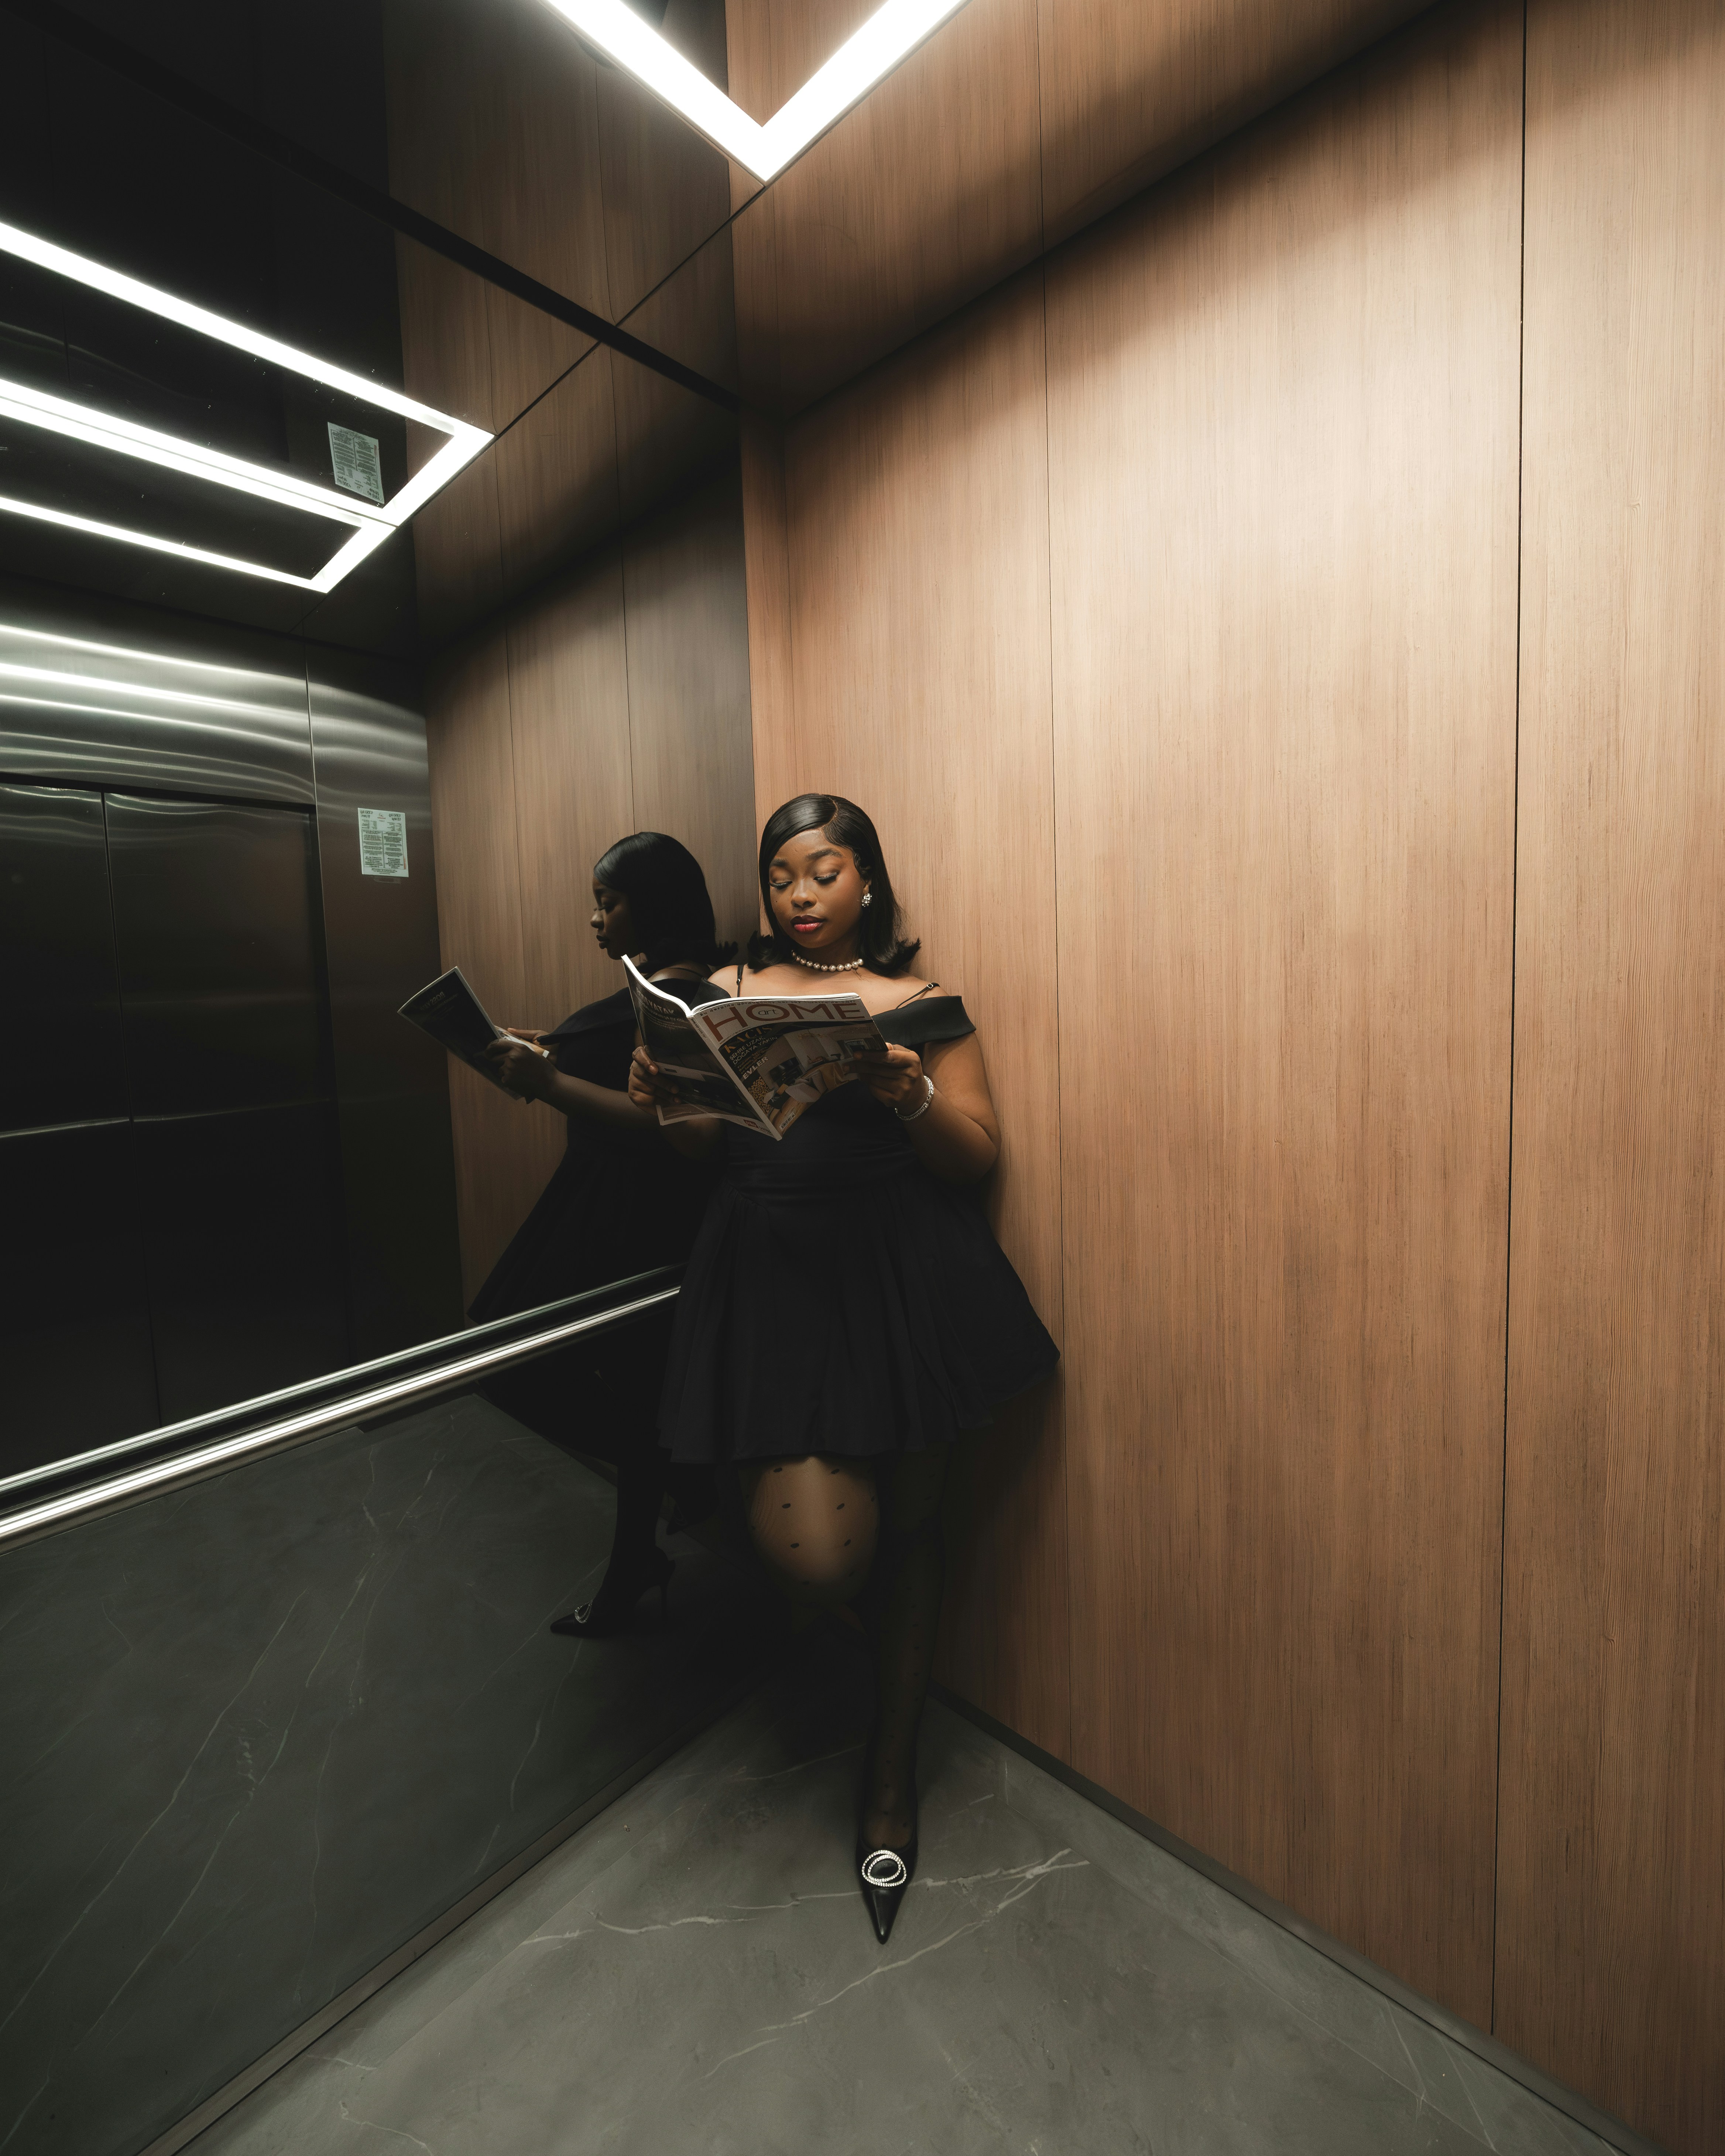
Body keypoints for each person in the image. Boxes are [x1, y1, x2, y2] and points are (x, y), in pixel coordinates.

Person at [628, 793, 1058, 1943]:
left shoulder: (919, 1005)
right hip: (766, 1275)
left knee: (915, 1534)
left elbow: (974, 1157)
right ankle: (838, 1666)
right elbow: (696, 1148)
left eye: (825, 872)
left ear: (869, 880)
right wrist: (666, 1101)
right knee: (818, 1557)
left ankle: (890, 1781)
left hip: (901, 1274)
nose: (801, 896)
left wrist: (908, 1089)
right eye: (782, 877)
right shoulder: (717, 998)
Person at [473, 831, 731, 1636]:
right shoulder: (643, 990)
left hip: (633, 1224)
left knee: (506, 1357)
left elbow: (669, 1125)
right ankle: (639, 1551)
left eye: (609, 901)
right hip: (612, 1214)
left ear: (649, 907)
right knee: (635, 1400)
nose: (595, 918)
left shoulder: (681, 999)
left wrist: (549, 1080)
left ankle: (686, 1481)